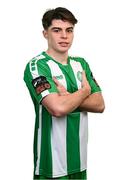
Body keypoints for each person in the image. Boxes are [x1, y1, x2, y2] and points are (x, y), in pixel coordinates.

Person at [24, 7, 105, 180]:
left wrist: (69, 96)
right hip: (52, 165)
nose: (64, 36)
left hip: (80, 162)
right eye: (57, 30)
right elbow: (57, 108)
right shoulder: (38, 66)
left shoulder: (81, 64)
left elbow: (100, 105)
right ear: (45, 33)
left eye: (69, 30)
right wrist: (85, 91)